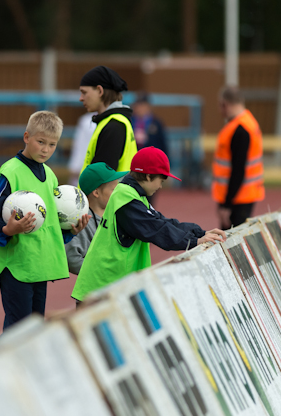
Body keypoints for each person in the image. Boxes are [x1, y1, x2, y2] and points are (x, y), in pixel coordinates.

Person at [72, 147, 225, 303]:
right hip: (100, 292)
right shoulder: (126, 200)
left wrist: (200, 233)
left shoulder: (133, 196)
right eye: (161, 180)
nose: (161, 186)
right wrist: (194, 242)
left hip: (110, 289)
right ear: (148, 176)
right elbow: (156, 229)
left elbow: (162, 222)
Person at [0, 110, 89, 330]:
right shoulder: (10, 172)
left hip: (39, 265)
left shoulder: (50, 175)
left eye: (52, 145)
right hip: (16, 266)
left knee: (35, 328)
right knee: (18, 328)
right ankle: (4, 365)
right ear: (26, 137)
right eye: (41, 142)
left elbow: (50, 223)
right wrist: (9, 230)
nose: (46, 149)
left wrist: (71, 231)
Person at [212, 86, 264, 230]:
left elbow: (238, 170)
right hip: (245, 195)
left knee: (230, 242)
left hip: (237, 198)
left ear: (224, 104)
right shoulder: (248, 122)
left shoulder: (239, 129)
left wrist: (226, 205)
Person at [66, 162, 126, 275]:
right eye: (113, 190)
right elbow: (72, 259)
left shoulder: (114, 215)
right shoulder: (83, 220)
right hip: (95, 289)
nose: (118, 194)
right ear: (96, 192)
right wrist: (102, 273)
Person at [78, 65, 137, 173]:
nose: (81, 98)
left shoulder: (114, 126)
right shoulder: (113, 122)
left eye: (84, 92)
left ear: (100, 91)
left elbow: (102, 182)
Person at [67, 111, 95, 184]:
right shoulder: (86, 121)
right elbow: (79, 146)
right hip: (83, 169)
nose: (81, 99)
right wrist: (75, 167)